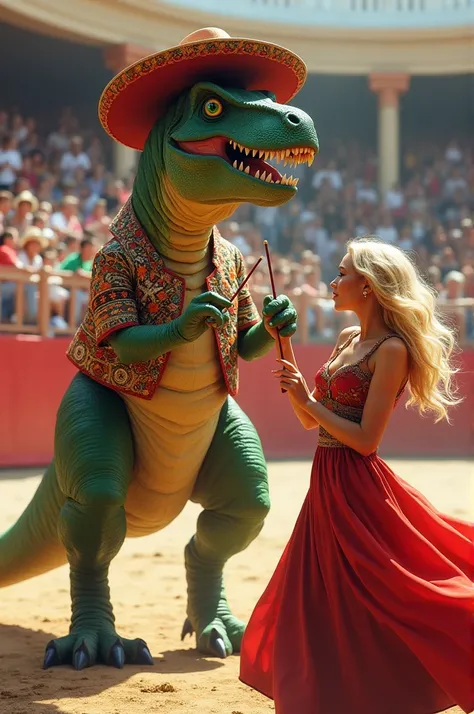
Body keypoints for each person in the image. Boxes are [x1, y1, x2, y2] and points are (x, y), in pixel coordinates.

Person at [240, 236, 473, 714]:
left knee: (401, 591)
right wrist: (290, 366)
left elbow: (367, 439)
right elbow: (312, 422)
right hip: (325, 481)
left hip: (358, 485)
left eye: (342, 272)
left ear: (367, 286)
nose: (333, 280)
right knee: (328, 597)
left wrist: (308, 401)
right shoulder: (348, 340)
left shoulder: (391, 350)